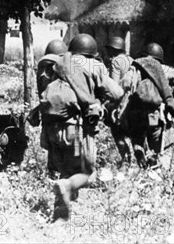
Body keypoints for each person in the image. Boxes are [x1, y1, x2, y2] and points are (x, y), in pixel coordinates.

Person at [39, 34, 123, 221]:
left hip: (52, 128)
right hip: (76, 129)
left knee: (66, 170)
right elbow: (117, 93)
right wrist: (99, 100)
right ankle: (67, 188)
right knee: (87, 173)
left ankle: (60, 216)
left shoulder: (58, 62)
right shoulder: (94, 65)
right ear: (92, 51)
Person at [118, 43, 174, 168]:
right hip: (156, 114)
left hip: (136, 114)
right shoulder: (166, 70)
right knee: (157, 146)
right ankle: (154, 169)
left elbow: (124, 84)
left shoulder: (135, 67)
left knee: (137, 141)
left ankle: (142, 164)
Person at [29, 39, 68, 176]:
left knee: (52, 144)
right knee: (62, 144)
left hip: (46, 111)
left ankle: (53, 172)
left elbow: (42, 91)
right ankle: (60, 173)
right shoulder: (64, 66)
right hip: (62, 112)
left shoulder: (42, 67)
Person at [103, 36, 134, 164]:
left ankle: (125, 159)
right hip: (132, 100)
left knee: (116, 130)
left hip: (120, 101)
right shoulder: (131, 59)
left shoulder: (115, 61)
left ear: (113, 49)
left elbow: (114, 85)